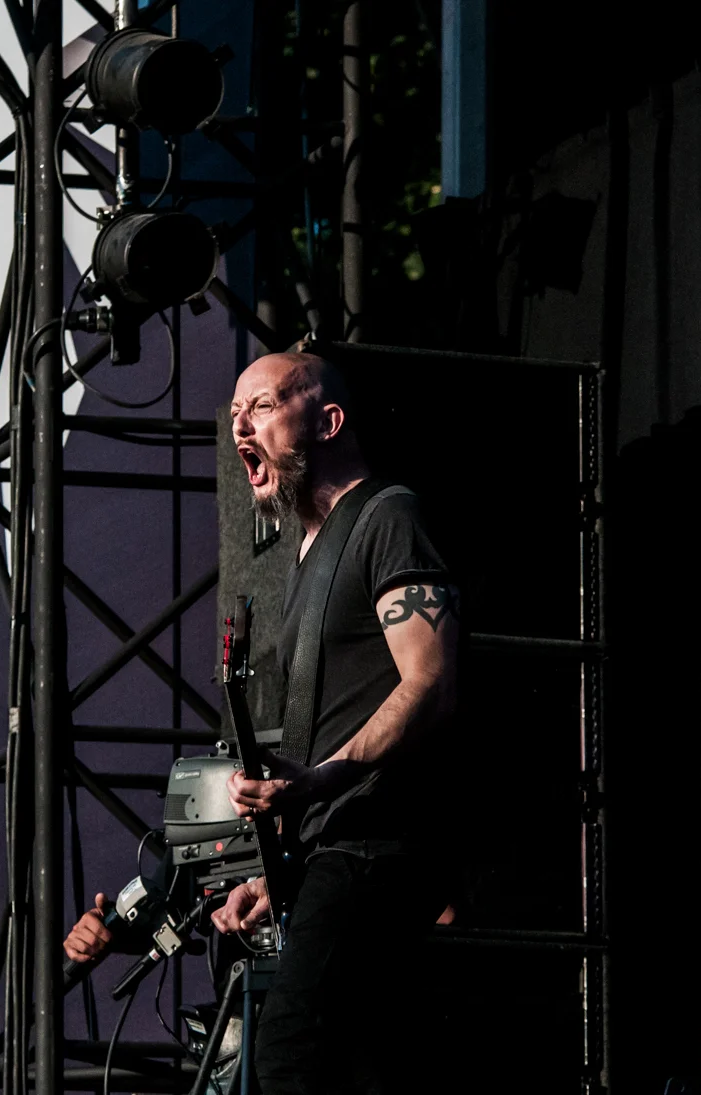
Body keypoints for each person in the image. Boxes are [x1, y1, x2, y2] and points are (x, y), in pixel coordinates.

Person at [208, 348, 460, 1094]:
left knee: (288, 1055)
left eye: (260, 407)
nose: (240, 428)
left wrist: (317, 782)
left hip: (376, 844)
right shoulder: (307, 552)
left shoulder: (388, 517)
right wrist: (275, 871)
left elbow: (430, 681)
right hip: (334, 848)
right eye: (234, 415)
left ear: (327, 421)